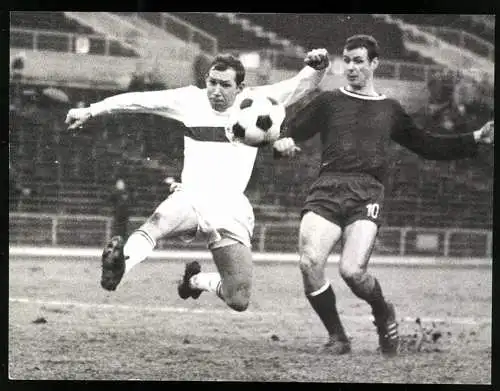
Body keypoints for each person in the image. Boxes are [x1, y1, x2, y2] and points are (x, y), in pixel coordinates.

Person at [273, 35, 494, 356]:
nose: (351, 67)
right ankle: (338, 337)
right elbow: (288, 131)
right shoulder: (328, 102)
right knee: (309, 263)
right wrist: (282, 143)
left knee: (352, 271)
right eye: (346, 60)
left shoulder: (390, 109)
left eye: (358, 61)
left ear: (374, 64)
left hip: (367, 191)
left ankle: (382, 311)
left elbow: (427, 145)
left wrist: (474, 138)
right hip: (327, 187)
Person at [64, 49, 330, 313]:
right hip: (191, 195)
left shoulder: (259, 102)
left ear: (240, 88)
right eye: (211, 82)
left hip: (229, 206)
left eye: (224, 85)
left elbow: (300, 85)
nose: (215, 90)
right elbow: (139, 100)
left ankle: (195, 281)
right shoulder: (190, 100)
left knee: (238, 298)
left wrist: (318, 66)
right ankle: (120, 265)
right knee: (158, 221)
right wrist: (91, 110)